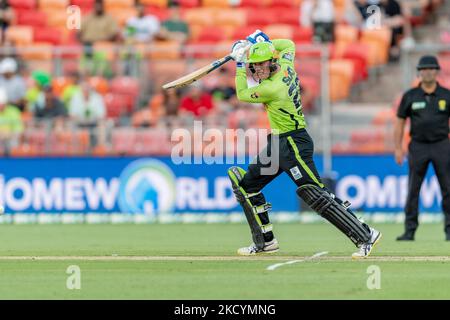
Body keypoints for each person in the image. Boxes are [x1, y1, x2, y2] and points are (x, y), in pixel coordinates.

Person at [227, 30, 382, 258]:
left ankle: (365, 234)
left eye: (261, 64)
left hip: (294, 143)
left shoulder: (272, 88)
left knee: (315, 194)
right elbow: (288, 43)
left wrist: (240, 65)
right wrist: (254, 46)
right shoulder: (287, 63)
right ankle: (265, 241)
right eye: (253, 65)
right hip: (278, 143)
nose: (257, 69)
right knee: (246, 186)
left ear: (272, 62)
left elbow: (242, 93)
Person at [394, 55, 450, 241]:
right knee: (413, 189)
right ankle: (409, 231)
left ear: (436, 71)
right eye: (424, 69)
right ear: (419, 72)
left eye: (431, 68)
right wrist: (398, 148)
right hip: (418, 146)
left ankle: (449, 230)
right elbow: (400, 123)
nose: (427, 72)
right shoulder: (410, 96)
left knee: (447, 189)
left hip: (442, 145)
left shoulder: (446, 95)